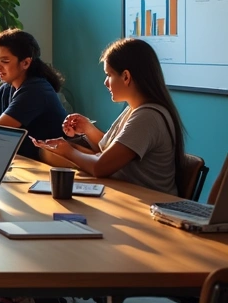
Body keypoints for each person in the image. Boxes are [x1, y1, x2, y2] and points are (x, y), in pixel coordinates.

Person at [32, 38, 184, 195]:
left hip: (149, 203)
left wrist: (68, 151)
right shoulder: (134, 110)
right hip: (129, 195)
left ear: (126, 77)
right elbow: (109, 151)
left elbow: (100, 167)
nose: (105, 82)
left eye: (109, 75)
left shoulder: (147, 117)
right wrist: (88, 129)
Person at [0, 29, 67, 160]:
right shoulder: (7, 88)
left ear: (25, 63)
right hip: (25, 162)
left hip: (46, 165)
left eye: (5, 61)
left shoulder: (36, 90)